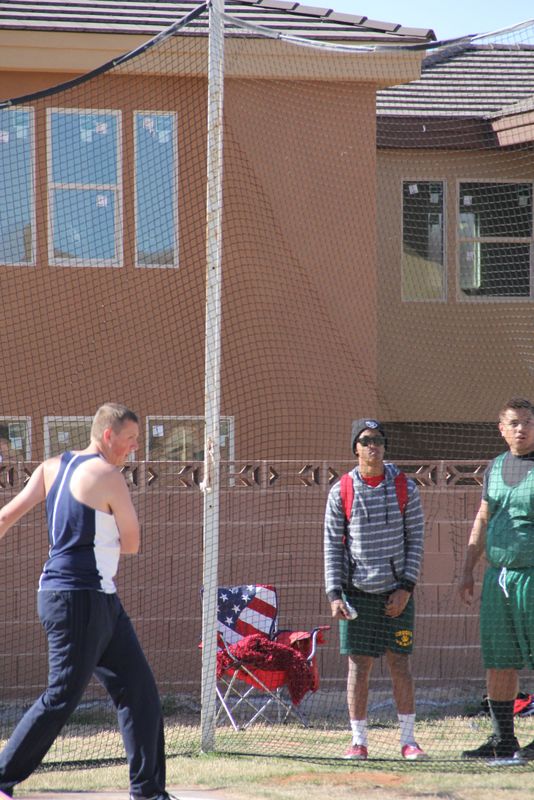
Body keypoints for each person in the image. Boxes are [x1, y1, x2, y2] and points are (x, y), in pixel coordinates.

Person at [0, 403, 174, 800]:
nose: (135, 447)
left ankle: (148, 792)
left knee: (140, 692)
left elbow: (5, 516)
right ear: (108, 435)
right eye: (131, 439)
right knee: (62, 694)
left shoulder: (50, 467)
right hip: (78, 599)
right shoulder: (108, 475)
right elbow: (132, 543)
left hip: (94, 598)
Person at [324, 418, 427, 761]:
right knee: (358, 667)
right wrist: (335, 594)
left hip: (396, 592)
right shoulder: (341, 490)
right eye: (366, 440)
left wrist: (406, 587)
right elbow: (332, 545)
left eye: (379, 440)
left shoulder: (404, 487)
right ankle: (358, 741)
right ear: (355, 447)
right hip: (356, 594)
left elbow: (416, 539)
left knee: (400, 664)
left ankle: (409, 741)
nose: (373, 446)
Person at [459, 396, 534, 762]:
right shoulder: (495, 466)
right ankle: (504, 740)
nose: (522, 429)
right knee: (499, 660)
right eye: (514, 423)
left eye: (528, 422)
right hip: (498, 578)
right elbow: (483, 517)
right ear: (502, 429)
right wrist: (467, 569)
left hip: (531, 577)